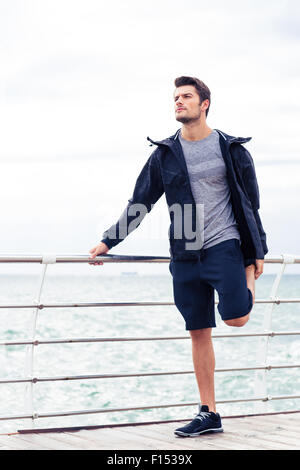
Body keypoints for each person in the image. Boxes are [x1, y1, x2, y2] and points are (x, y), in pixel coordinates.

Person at [88, 76, 268, 437]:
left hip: (225, 243)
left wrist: (255, 252)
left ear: (205, 104)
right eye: (175, 98)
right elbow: (141, 202)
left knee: (236, 318)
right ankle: (208, 412)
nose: (178, 102)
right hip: (185, 249)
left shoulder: (231, 149)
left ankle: (245, 276)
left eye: (186, 96)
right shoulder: (165, 154)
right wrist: (109, 241)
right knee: (198, 330)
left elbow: (251, 203)